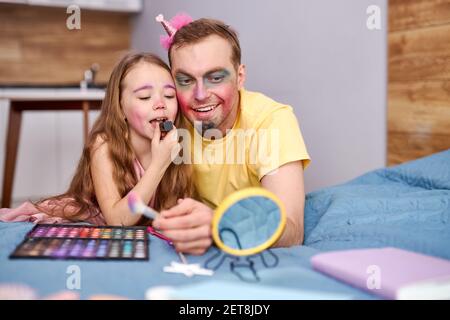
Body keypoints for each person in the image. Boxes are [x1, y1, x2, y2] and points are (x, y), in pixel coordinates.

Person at [152, 15, 311, 255]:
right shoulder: (170, 117)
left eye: (215, 78)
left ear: (240, 77)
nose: (201, 94)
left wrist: (220, 224)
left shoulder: (271, 122)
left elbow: (292, 230)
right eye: (185, 81)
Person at [0, 52, 193, 226]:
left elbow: (166, 214)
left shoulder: (176, 144)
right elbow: (118, 221)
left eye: (169, 95)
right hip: (91, 219)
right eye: (144, 97)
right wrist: (159, 164)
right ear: (120, 107)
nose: (160, 104)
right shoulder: (104, 146)